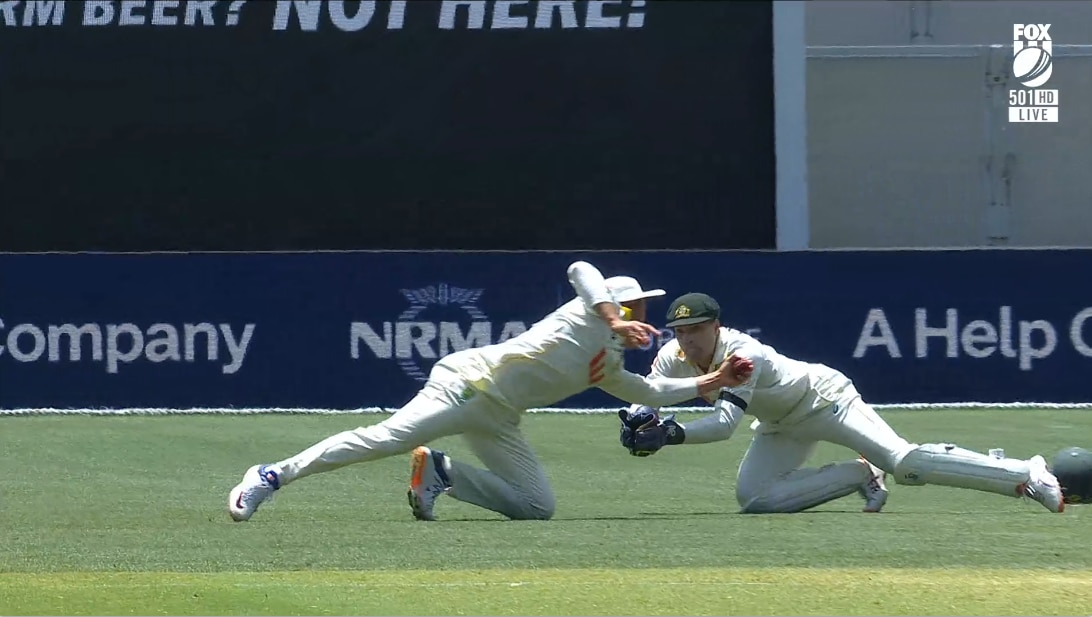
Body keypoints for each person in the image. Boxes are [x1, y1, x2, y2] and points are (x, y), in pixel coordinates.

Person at [228, 263, 753, 522]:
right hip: (464, 385)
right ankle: (271, 475)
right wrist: (614, 315)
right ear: (613, 305)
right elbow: (581, 270)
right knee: (381, 439)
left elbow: (645, 388)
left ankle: (442, 473)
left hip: (498, 417)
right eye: (635, 306)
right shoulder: (580, 317)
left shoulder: (607, 361)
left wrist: (712, 382)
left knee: (536, 506)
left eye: (640, 309)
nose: (642, 316)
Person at [617, 292, 1065, 514]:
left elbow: (723, 426)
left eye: (696, 329)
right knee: (755, 499)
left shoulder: (742, 355)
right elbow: (653, 397)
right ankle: (857, 474)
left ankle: (1026, 472)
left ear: (717, 326)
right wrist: (640, 422)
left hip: (826, 400)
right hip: (781, 424)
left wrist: (670, 435)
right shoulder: (672, 357)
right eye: (680, 332)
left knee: (905, 464)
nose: (687, 340)